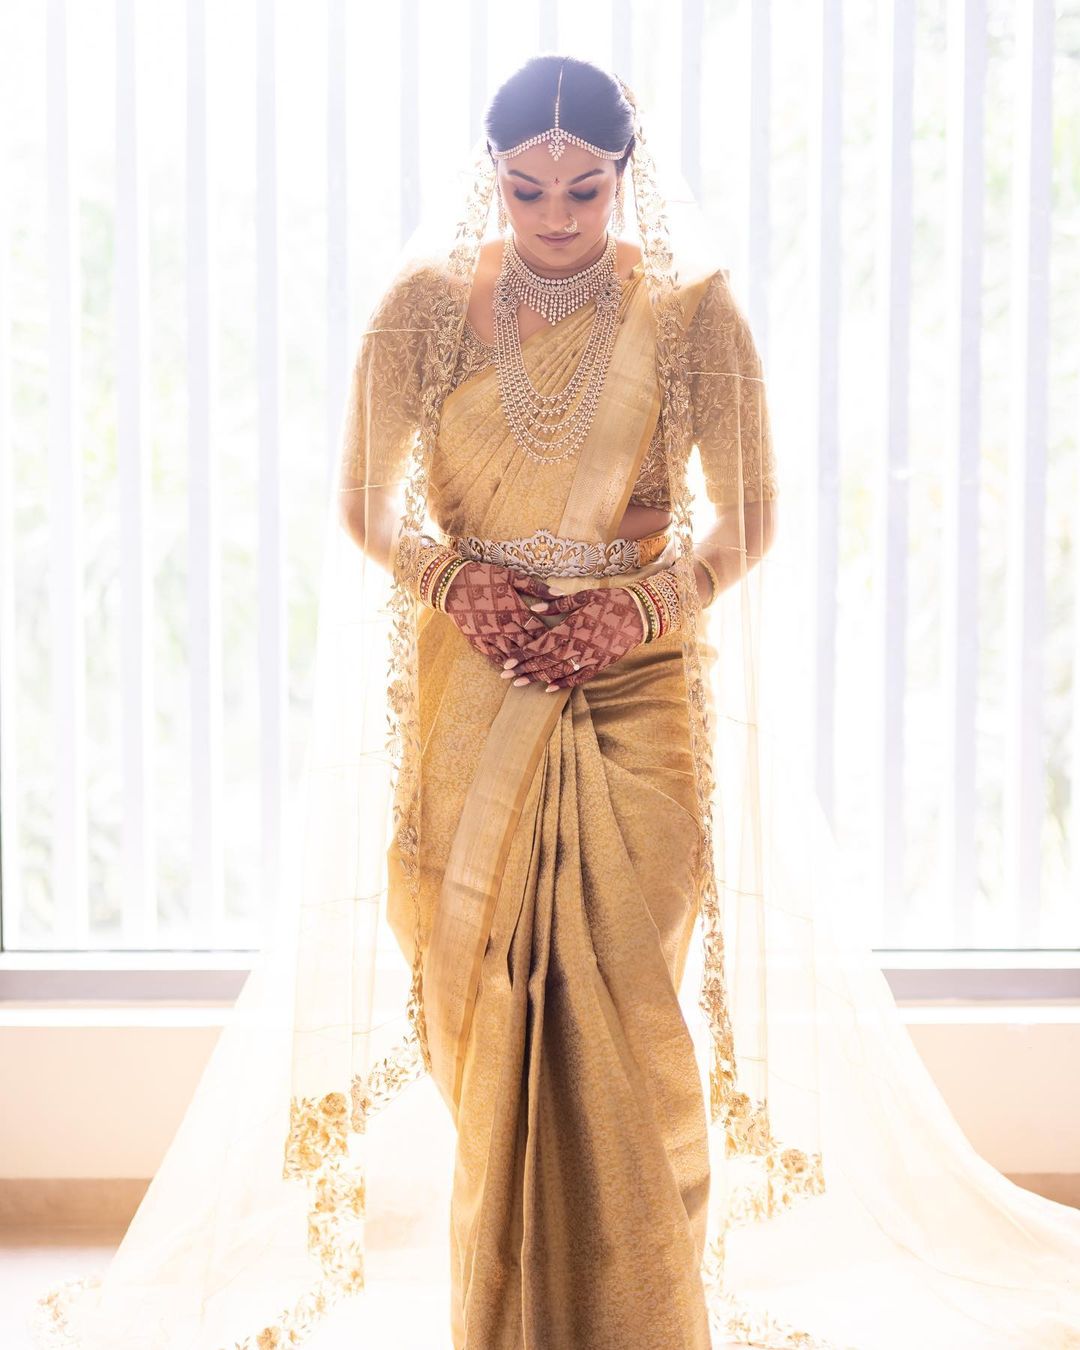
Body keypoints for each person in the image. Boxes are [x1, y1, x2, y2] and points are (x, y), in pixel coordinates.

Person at [32, 54, 1080, 1350]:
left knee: (627, 997)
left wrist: (635, 608)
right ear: (495, 179)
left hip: (638, 682)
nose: (559, 216)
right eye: (529, 191)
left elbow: (750, 517)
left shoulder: (692, 317)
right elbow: (363, 505)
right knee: (480, 1002)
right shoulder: (422, 311)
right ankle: (508, 1313)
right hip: (473, 680)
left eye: (586, 189)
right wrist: (451, 582)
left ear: (623, 173)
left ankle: (643, 1315)